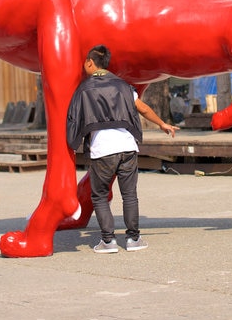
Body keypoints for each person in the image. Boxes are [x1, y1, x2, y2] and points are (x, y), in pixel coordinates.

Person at [66, 45, 178, 254]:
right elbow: (142, 108)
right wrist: (162, 124)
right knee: (130, 195)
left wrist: (71, 144)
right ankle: (133, 239)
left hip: (103, 148)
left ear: (90, 62)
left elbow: (73, 118)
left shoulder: (84, 88)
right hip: (127, 146)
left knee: (99, 196)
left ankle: (108, 242)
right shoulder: (124, 86)